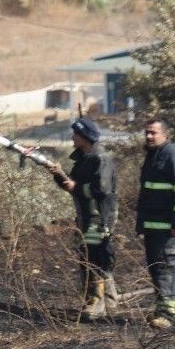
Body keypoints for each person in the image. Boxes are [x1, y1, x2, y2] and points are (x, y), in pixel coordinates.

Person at [52, 118, 117, 320]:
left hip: (98, 218)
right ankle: (109, 304)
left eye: (76, 135)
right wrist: (58, 174)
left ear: (85, 137)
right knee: (89, 257)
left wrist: (77, 187)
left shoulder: (100, 159)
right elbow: (71, 186)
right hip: (85, 217)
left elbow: (102, 190)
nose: (72, 138)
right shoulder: (84, 159)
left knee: (94, 259)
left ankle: (96, 304)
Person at [137, 118, 175, 329]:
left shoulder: (173, 156)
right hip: (154, 227)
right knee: (162, 269)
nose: (149, 136)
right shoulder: (153, 157)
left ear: (165, 134)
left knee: (166, 270)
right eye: (147, 133)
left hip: (170, 229)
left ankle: (166, 315)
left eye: (154, 133)